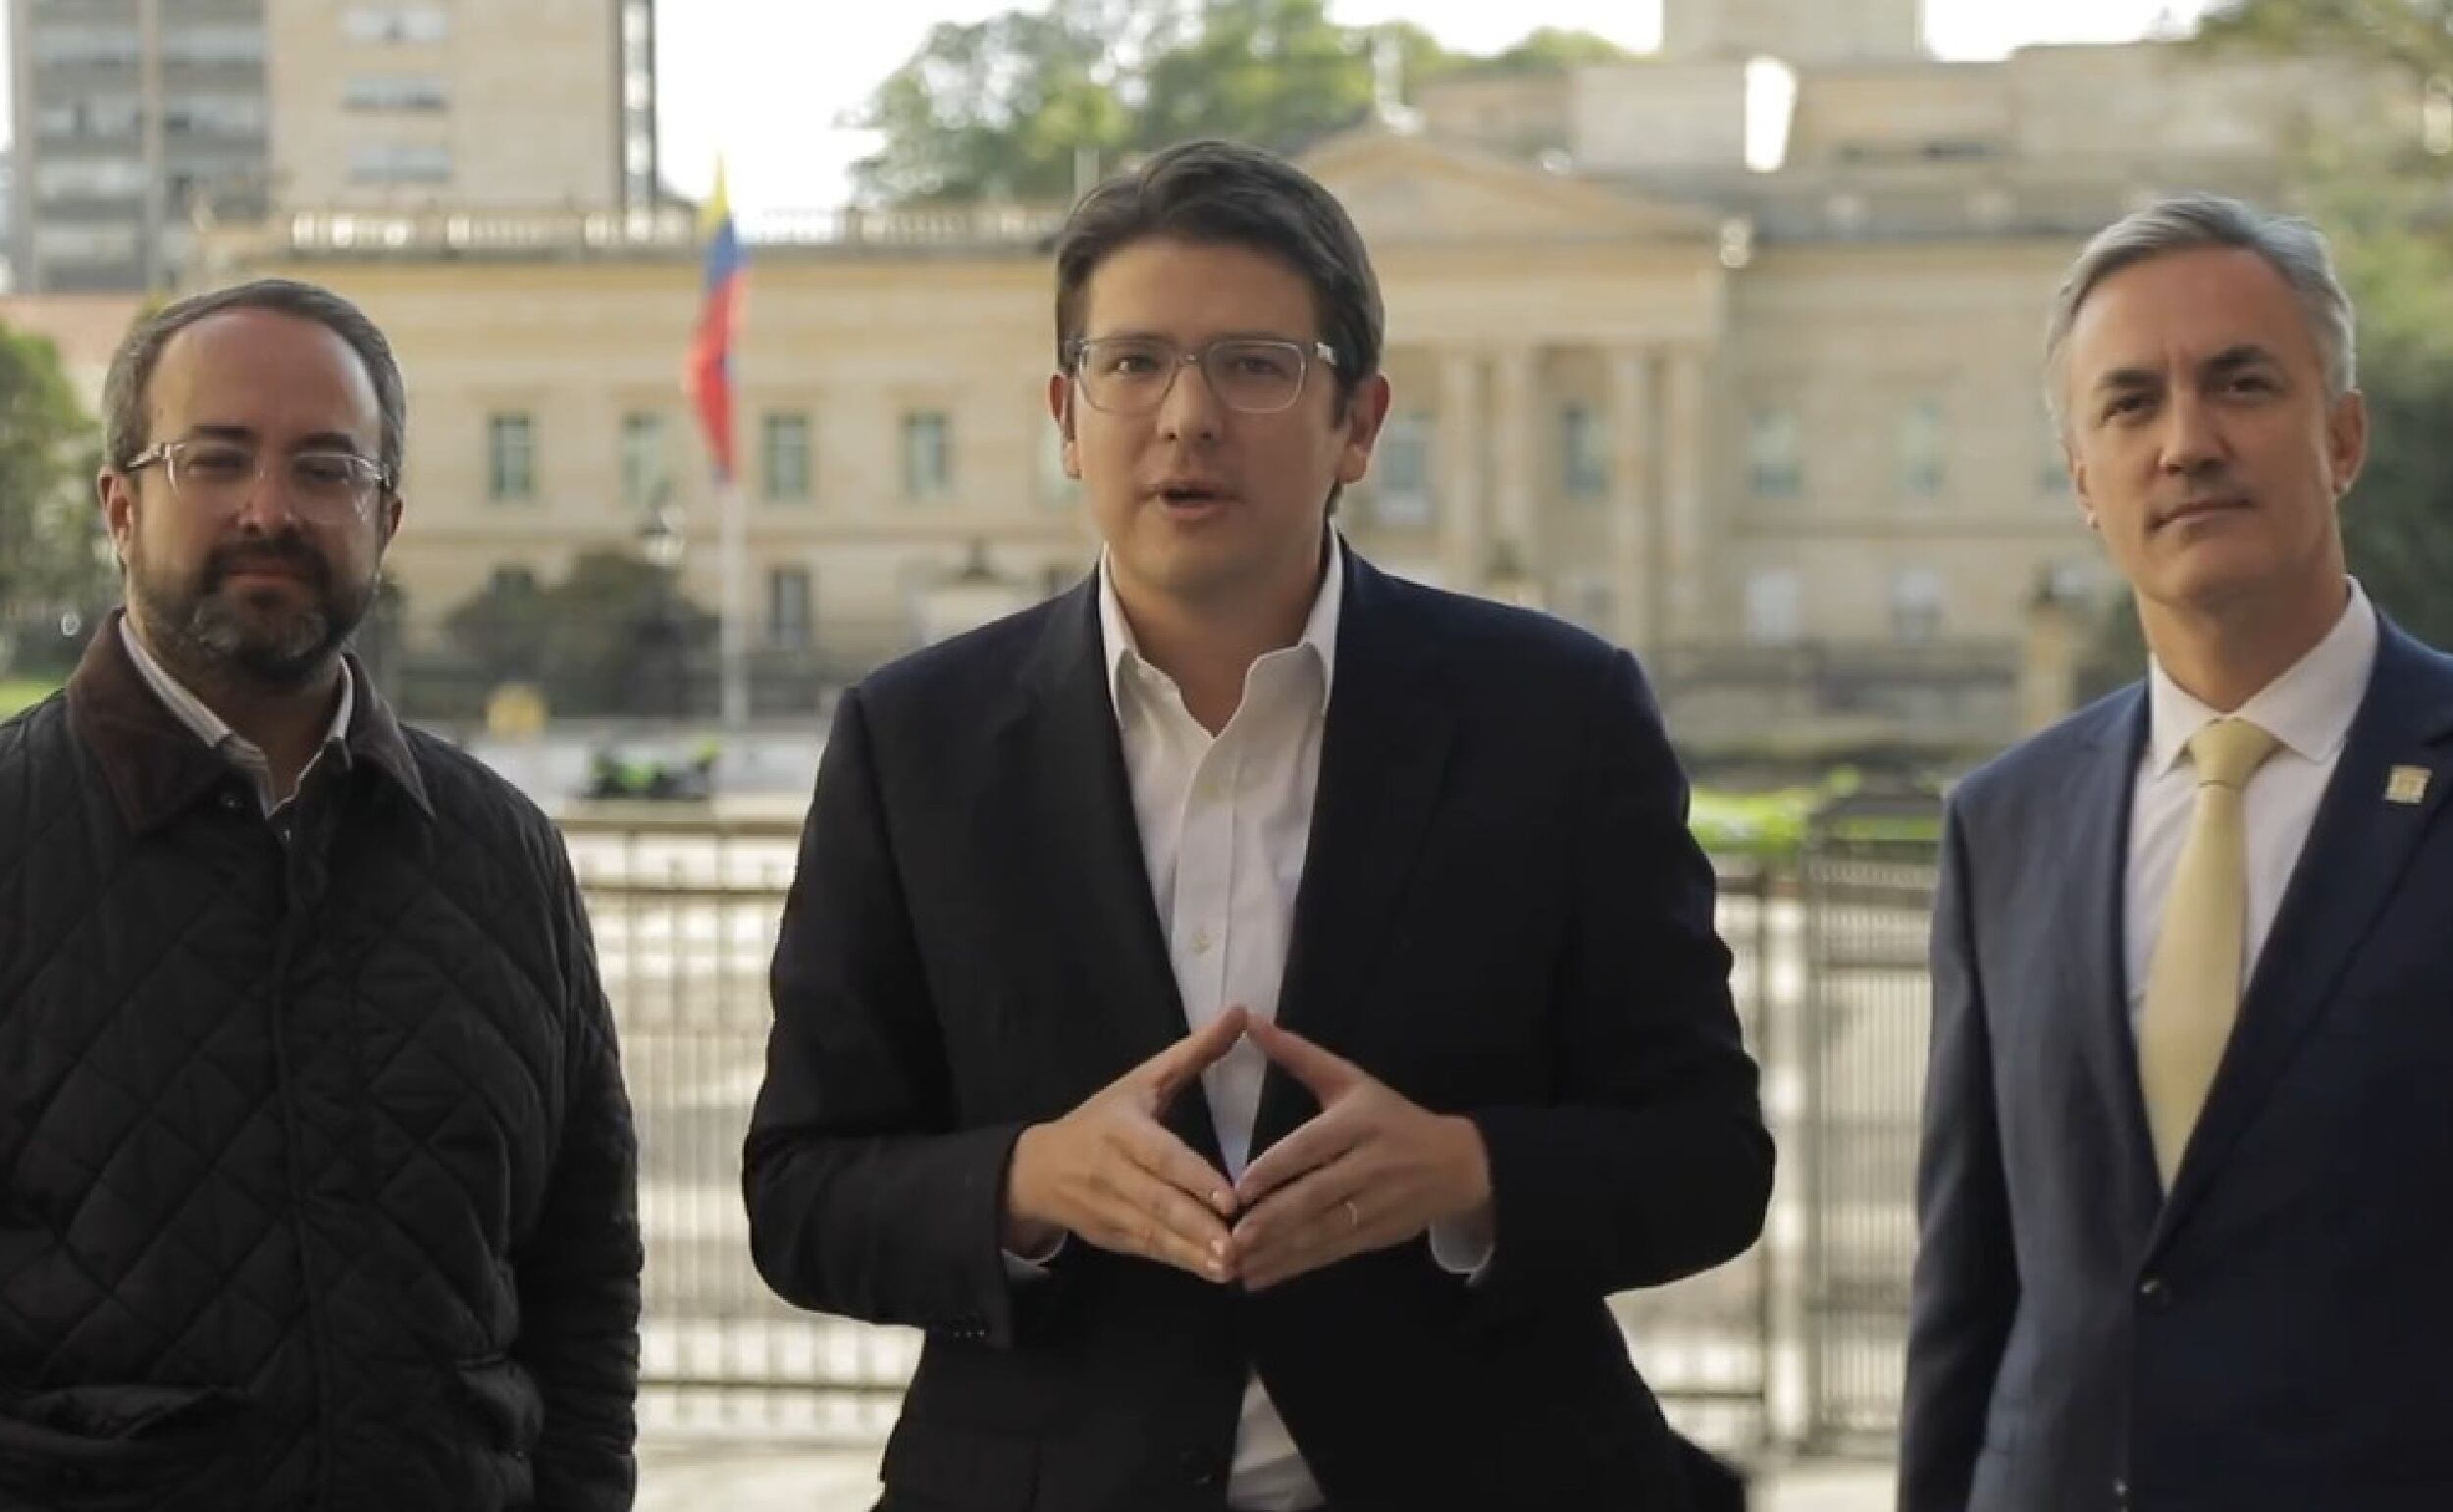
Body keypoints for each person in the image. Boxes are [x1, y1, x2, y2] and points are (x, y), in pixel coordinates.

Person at [743, 138, 1772, 1511]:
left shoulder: (1556, 716)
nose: (1187, 416)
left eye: (1255, 364)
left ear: (1359, 423)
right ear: (1066, 414)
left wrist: (1467, 1171)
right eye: (1133, 363)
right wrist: (1027, 1179)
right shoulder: (913, 739)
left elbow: (1708, 1160)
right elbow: (802, 1193)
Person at [0, 279, 643, 1509]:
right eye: (217, 457)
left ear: (387, 516)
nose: (268, 509)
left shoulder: (502, 854)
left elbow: (583, 1274)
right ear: (121, 506)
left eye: (325, 467)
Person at [1902, 195, 2453, 1510]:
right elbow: (1966, 1293)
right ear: (2085, 482)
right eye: (2130, 404)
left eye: (2242, 384)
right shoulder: (2007, 822)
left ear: (2343, 436)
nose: (2187, 442)